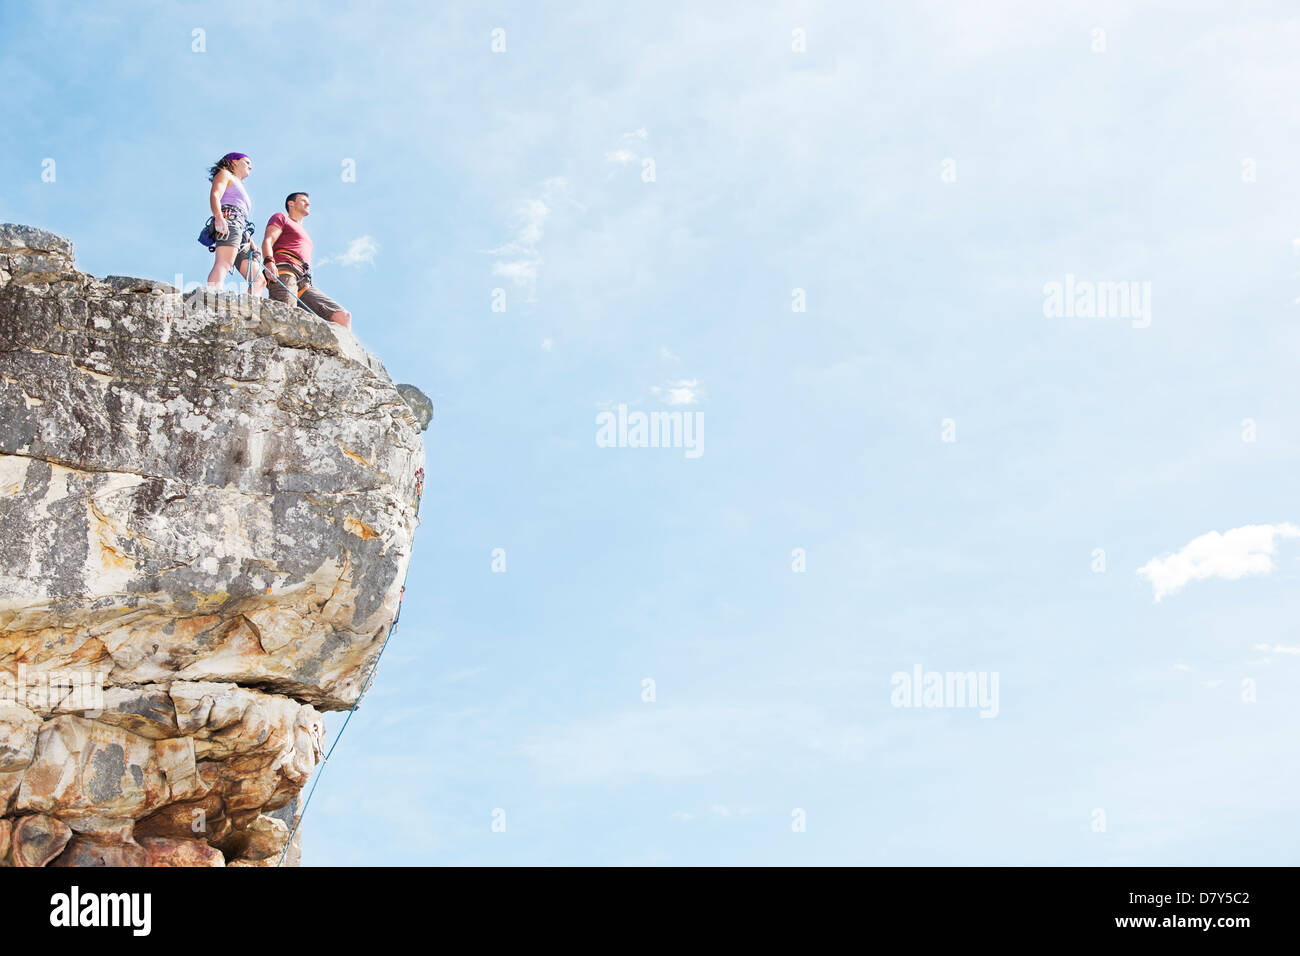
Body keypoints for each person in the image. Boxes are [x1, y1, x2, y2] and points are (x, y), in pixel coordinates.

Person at [260, 192, 351, 328]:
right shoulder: (282, 218)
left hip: (304, 280)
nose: (308, 204)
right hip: (285, 270)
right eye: (303, 200)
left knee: (343, 317)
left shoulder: (304, 232)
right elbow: (268, 241)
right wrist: (269, 261)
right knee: (285, 315)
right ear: (291, 203)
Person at [204, 152, 265, 292]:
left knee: (259, 280)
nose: (251, 166)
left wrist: (252, 244)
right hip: (229, 220)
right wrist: (218, 216)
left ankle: (249, 310)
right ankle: (213, 295)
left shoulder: (239, 183)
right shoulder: (225, 174)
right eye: (247, 162)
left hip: (241, 228)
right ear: (234, 161)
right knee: (224, 262)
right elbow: (215, 195)